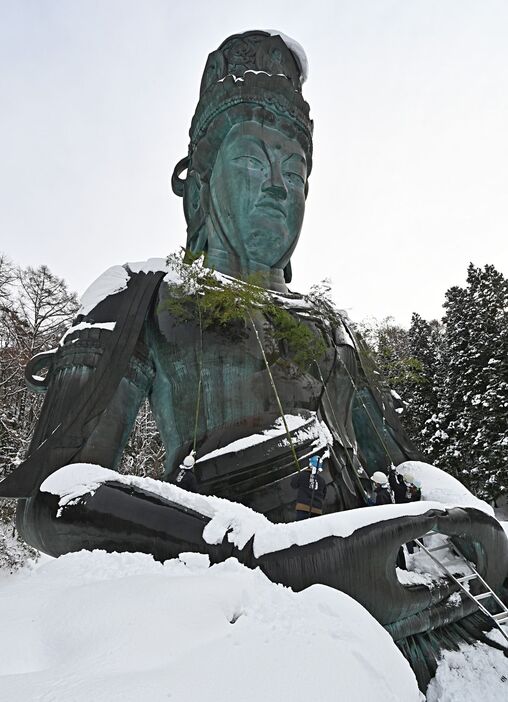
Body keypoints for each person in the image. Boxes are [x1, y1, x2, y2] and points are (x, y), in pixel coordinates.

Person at [2, 30, 421, 553]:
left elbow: (405, 476)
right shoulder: (142, 296)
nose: (277, 186)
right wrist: (241, 548)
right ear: (198, 184)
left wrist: (472, 525)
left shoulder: (328, 326)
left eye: (295, 173)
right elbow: (54, 498)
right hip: (230, 596)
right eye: (252, 161)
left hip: (371, 589)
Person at [291, 455, 327, 520]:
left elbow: (293, 484)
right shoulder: (322, 481)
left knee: (303, 528)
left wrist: (299, 475)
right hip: (317, 510)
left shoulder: (302, 475)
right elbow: (324, 495)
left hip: (302, 508)